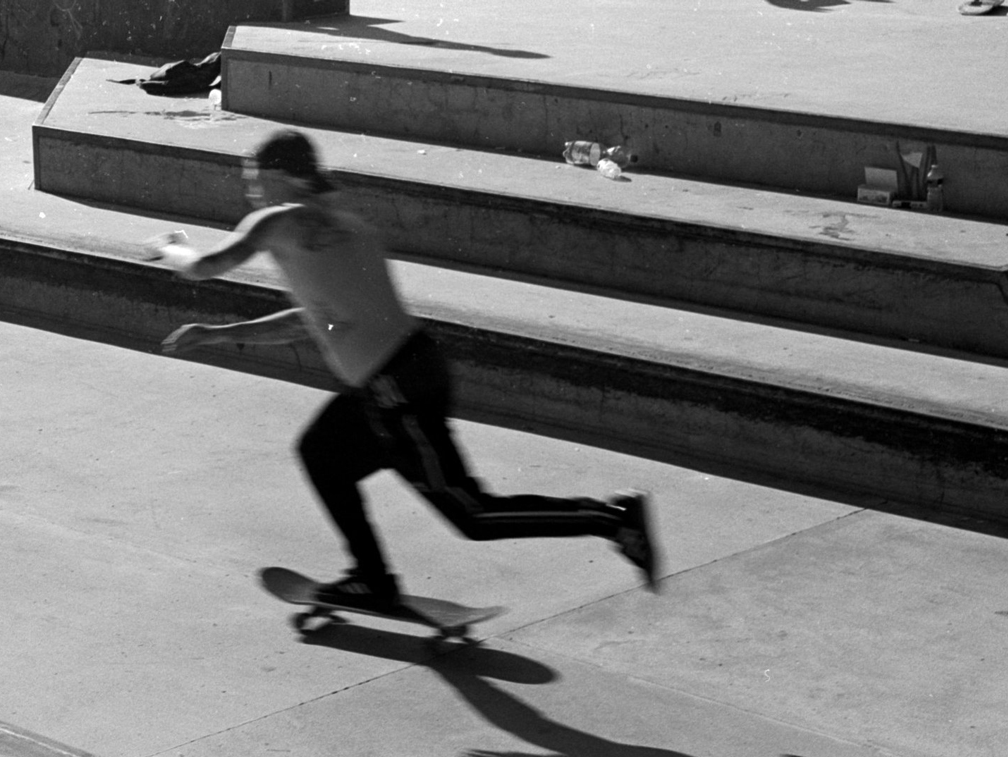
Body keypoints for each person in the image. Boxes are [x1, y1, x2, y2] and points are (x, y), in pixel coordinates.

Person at [150, 129, 659, 610]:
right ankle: (371, 579)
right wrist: (218, 334)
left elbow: (202, 266)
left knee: (472, 515)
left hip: (395, 388)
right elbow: (311, 320)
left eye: (255, 176)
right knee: (321, 453)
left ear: (283, 176)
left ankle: (611, 518)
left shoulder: (277, 222)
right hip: (400, 377)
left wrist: (170, 246)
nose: (251, 189)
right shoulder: (347, 226)